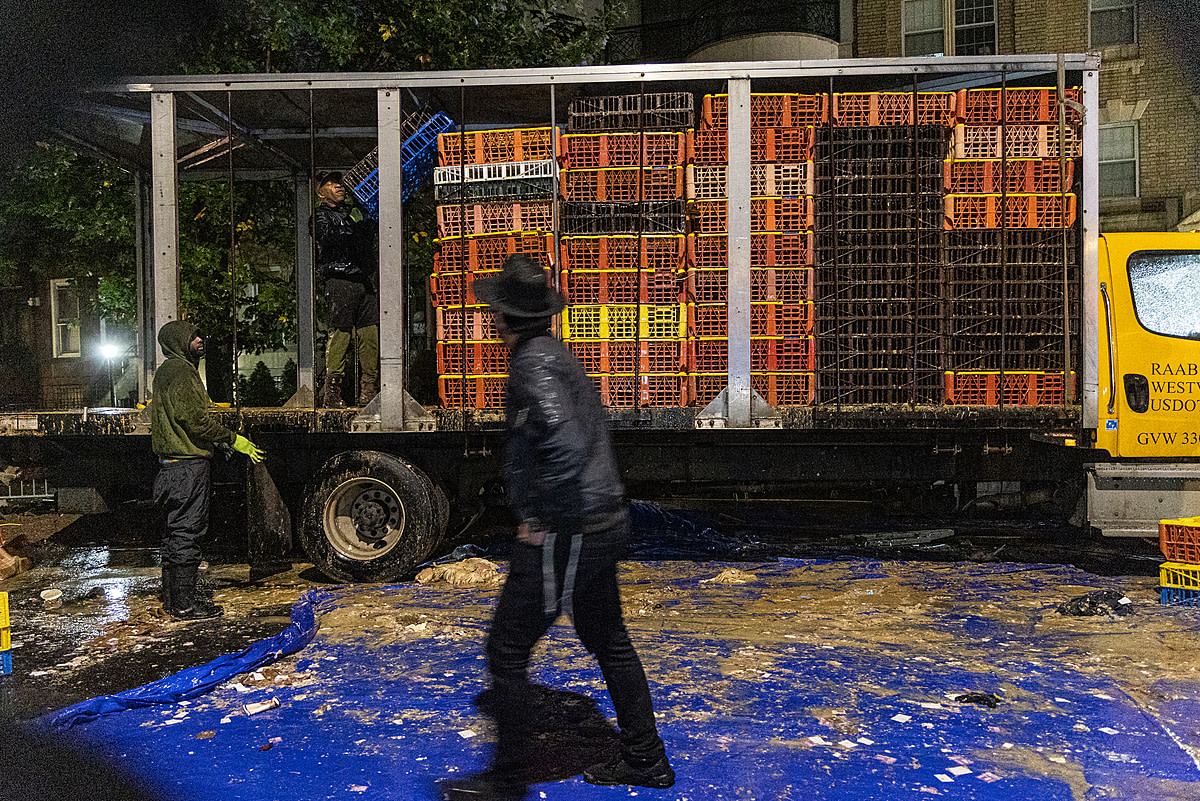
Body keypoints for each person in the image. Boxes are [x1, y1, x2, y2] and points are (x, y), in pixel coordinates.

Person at [440, 255, 674, 801]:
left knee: (507, 647)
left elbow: (565, 445)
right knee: (608, 638)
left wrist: (540, 517)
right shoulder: (559, 357)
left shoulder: (532, 366)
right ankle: (646, 757)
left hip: (570, 528)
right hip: (602, 520)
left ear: (503, 318)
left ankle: (509, 780)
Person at [151, 320, 264, 620]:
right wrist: (232, 439)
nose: (200, 340)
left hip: (171, 468)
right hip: (188, 468)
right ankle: (186, 606)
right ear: (178, 343)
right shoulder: (182, 373)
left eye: (200, 335)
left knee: (173, 535)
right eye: (193, 337)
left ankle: (173, 602)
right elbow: (195, 421)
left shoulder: (165, 372)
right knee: (187, 533)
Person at [314, 170, 379, 408]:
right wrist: (354, 223)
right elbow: (331, 236)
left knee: (369, 334)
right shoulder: (321, 216)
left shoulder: (352, 213)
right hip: (340, 280)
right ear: (321, 193)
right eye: (331, 185)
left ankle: (369, 389)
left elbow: (368, 234)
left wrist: (361, 220)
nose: (338, 187)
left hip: (362, 280)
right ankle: (332, 390)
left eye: (339, 184)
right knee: (341, 333)